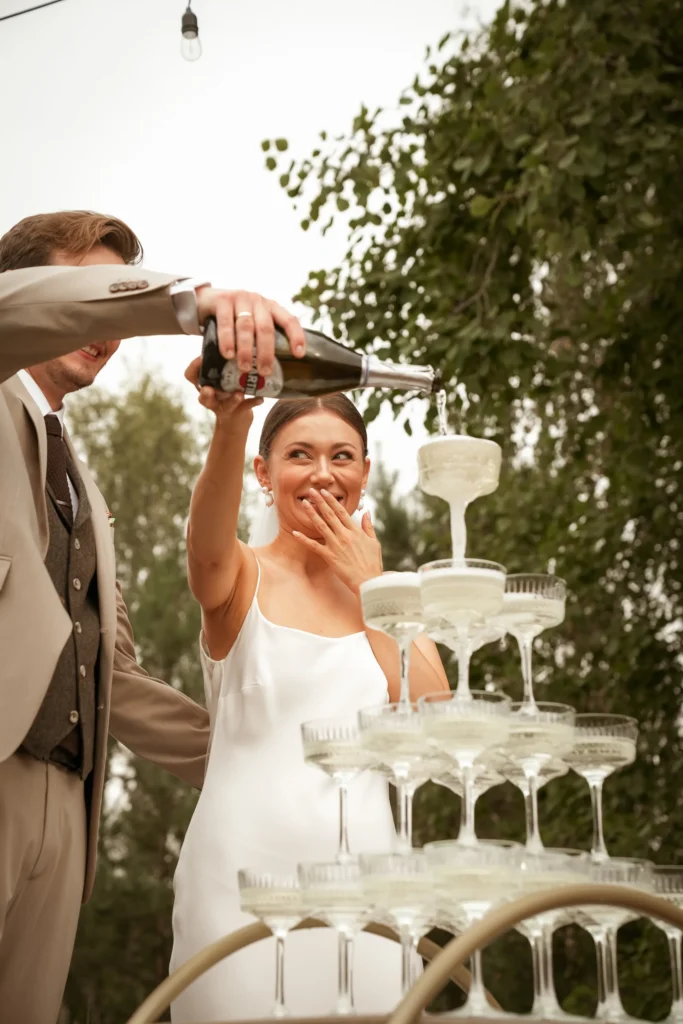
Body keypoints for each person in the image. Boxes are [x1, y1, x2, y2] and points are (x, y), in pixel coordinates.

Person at [0, 209, 305, 1024]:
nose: (106, 329)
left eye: (117, 304)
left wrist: (260, 765)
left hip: (67, 811)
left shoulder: (85, 490)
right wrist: (186, 303)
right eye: (91, 295)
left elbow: (116, 677)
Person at [170, 370, 450, 1020]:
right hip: (239, 882)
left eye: (341, 456)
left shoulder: (392, 598)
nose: (323, 473)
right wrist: (230, 423)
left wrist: (372, 587)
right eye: (300, 454)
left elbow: (438, 725)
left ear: (364, 473)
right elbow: (204, 552)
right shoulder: (240, 574)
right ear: (263, 473)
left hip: (369, 886)